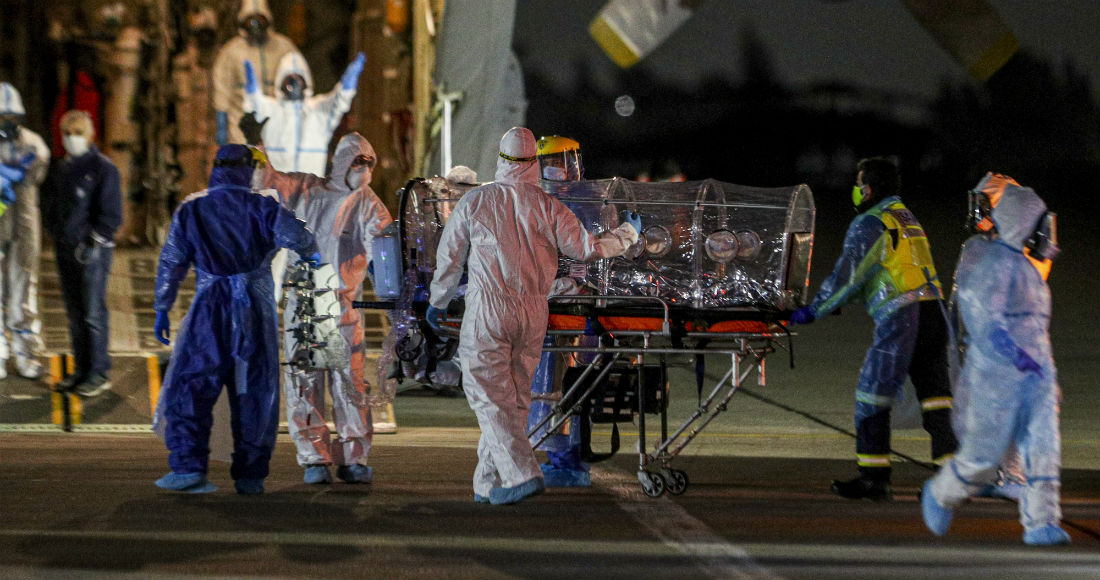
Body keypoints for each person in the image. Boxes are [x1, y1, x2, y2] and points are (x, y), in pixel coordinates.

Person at [427, 127, 641, 505]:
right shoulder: (549, 206)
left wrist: (438, 300)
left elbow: (449, 256)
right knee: (513, 400)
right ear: (534, 163)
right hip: (533, 313)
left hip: (489, 310)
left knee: (487, 395)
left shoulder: (477, 200)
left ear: (501, 158)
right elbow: (588, 250)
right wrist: (627, 234)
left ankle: (522, 474)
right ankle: (487, 483)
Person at [152, 144, 318, 495]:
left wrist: (162, 307)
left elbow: (171, 261)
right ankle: (251, 474)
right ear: (249, 170)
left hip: (208, 307)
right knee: (254, 389)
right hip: (253, 309)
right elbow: (302, 239)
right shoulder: (265, 207)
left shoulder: (193, 209)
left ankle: (188, 467)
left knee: (192, 384)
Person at [790, 156, 957, 500]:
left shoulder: (870, 222)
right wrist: (843, 302)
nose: (855, 188)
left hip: (901, 317)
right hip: (933, 313)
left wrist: (815, 309)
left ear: (867, 188)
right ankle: (953, 476)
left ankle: (874, 478)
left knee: (872, 392)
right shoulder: (905, 216)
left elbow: (849, 275)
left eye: (858, 182)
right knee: (936, 397)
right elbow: (887, 272)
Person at [921, 184, 1070, 546]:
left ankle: (1041, 523)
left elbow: (1035, 329)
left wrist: (1045, 375)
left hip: (1033, 376)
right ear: (1022, 224)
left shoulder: (1027, 268)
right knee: (982, 455)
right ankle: (941, 493)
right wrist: (1021, 360)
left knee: (1043, 450)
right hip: (998, 376)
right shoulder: (994, 265)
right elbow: (987, 324)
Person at [260, 132, 392, 485]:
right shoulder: (307, 190)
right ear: (342, 162)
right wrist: (256, 143)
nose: (363, 169)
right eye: (358, 161)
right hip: (305, 302)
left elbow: (385, 251)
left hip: (341, 306)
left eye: (368, 162)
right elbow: (268, 179)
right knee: (305, 383)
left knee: (350, 384)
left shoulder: (369, 204)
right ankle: (314, 457)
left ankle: (353, 456)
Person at [527, 134, 594, 487]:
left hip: (575, 306)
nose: (559, 170)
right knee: (563, 384)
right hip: (564, 302)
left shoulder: (588, 201)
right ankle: (567, 456)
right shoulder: (540, 203)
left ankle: (567, 459)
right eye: (551, 163)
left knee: (565, 385)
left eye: (564, 161)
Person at [40, 110, 121, 397]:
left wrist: (92, 241)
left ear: (90, 136)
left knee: (92, 313)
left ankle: (98, 372)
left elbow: (111, 215)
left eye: (77, 133)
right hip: (65, 249)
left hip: (92, 253)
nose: (72, 139)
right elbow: (50, 204)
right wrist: (55, 234)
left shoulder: (103, 169)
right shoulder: (61, 169)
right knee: (75, 314)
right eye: (67, 133)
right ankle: (81, 370)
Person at [243, 52, 365, 175]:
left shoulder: (318, 111)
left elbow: (339, 101)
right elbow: (253, 105)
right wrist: (251, 91)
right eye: (288, 79)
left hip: (309, 189)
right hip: (275, 189)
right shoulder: (271, 110)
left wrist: (347, 86)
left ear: (306, 80)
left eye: (298, 78)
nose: (294, 84)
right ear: (280, 81)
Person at [0, 83, 49, 380]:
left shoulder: (33, 143)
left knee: (23, 292)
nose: (7, 123)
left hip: (24, 228)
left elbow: (38, 170)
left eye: (12, 117)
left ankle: (24, 353)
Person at [212, 0, 300, 146]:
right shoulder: (231, 52)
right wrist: (221, 123)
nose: (255, 25)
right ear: (242, 21)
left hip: (278, 128)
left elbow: (299, 76)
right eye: (250, 20)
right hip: (241, 128)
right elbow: (222, 89)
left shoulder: (283, 47)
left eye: (259, 19)